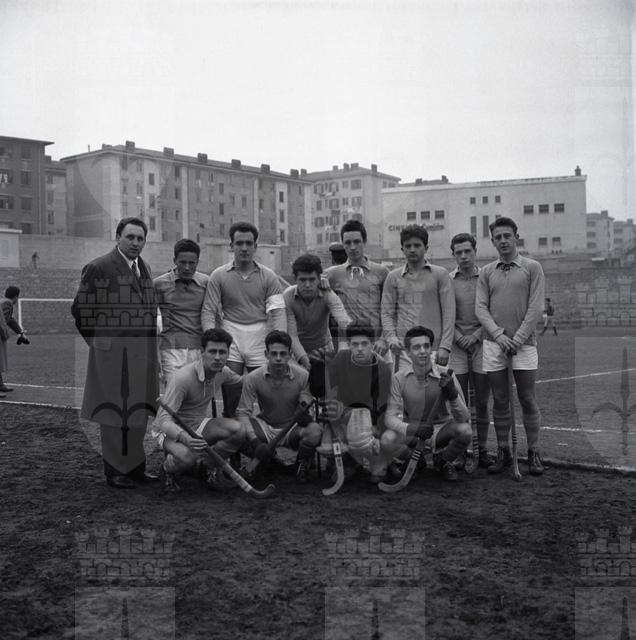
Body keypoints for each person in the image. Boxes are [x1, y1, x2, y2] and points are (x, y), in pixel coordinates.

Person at [71, 217, 159, 489]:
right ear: (118, 237)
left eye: (140, 238)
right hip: (113, 357)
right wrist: (101, 344)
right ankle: (116, 471)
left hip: (142, 356)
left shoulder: (144, 268)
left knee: (138, 412)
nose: (135, 243)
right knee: (113, 414)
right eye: (130, 237)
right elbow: (80, 311)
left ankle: (136, 468)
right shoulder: (99, 267)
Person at [475, 216, 546, 475]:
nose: (503, 241)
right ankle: (503, 450)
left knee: (527, 398)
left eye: (507, 236)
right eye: (498, 237)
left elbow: (535, 307)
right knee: (500, 399)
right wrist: (499, 336)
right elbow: (480, 308)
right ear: (493, 241)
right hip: (495, 345)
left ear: (516, 237)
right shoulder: (486, 271)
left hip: (524, 345)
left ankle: (534, 452)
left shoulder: (532, 267)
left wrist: (517, 339)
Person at [154, 328, 246, 493]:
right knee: (187, 457)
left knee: (238, 430)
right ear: (202, 352)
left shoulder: (223, 372)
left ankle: (206, 468)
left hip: (198, 424)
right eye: (212, 351)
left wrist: (271, 373)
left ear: (228, 354)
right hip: (169, 431)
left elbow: (245, 381)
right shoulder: (182, 378)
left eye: (222, 352)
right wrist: (185, 438)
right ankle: (167, 469)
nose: (217, 357)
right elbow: (163, 420)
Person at [384, 326, 471, 482]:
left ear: (431, 349)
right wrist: (413, 429)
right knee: (387, 439)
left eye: (426, 346)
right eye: (417, 347)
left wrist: (453, 394)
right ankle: (415, 461)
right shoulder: (399, 378)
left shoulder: (446, 374)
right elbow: (390, 418)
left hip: (440, 431)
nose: (423, 351)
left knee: (465, 431)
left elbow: (464, 418)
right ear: (408, 352)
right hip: (414, 431)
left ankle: (443, 461)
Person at [236, 330, 321, 483]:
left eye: (283, 354)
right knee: (238, 430)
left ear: (290, 355)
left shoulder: (303, 376)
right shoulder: (252, 378)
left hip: (292, 427)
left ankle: (301, 464)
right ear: (266, 354)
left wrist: (304, 410)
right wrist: (255, 442)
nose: (278, 358)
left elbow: (306, 399)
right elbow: (242, 413)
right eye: (274, 354)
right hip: (265, 427)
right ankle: (270, 461)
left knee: (315, 431)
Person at [201, 222, 286, 375]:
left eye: (249, 243)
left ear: (255, 246)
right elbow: (208, 310)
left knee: (262, 384)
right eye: (239, 243)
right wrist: (211, 339)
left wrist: (280, 342)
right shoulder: (218, 275)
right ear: (231, 246)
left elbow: (278, 312)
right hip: (230, 333)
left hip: (260, 336)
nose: (244, 248)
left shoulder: (269, 276)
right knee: (231, 385)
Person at [321, 321, 394, 483]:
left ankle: (377, 458)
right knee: (326, 441)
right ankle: (349, 461)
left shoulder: (382, 370)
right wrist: (331, 408)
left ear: (372, 344)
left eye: (364, 344)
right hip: (343, 416)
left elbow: (378, 409)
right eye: (355, 344)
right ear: (349, 344)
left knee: (360, 434)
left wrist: (349, 415)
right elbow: (329, 392)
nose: (360, 348)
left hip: (371, 420)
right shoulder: (340, 359)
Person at [381, 224, 455, 368]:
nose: (412, 249)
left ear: (426, 248)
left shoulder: (440, 274)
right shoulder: (393, 277)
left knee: (436, 383)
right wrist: (391, 338)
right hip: (403, 350)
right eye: (408, 246)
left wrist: (445, 347)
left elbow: (449, 313)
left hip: (434, 349)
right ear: (402, 249)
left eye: (417, 245)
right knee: (404, 383)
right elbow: (386, 313)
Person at [448, 233, 492, 467]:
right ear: (453, 255)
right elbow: (446, 314)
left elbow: (492, 312)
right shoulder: (448, 280)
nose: (464, 256)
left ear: (475, 251)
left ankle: (482, 449)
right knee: (459, 403)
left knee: (482, 401)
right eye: (459, 253)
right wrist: (459, 338)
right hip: (456, 346)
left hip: (482, 343)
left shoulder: (487, 276)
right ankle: (460, 450)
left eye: (468, 251)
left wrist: (476, 336)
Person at [284, 254, 350, 396]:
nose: (307, 285)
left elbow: (344, 322)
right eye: (302, 280)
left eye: (312, 279)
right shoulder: (288, 297)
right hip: (296, 351)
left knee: (328, 391)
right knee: (297, 392)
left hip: (323, 347)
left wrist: (349, 347)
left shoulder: (328, 294)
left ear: (319, 279)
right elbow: (292, 335)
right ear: (295, 279)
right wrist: (304, 360)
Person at [324, 220, 389, 357]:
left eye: (357, 241)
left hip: (377, 343)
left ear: (364, 242)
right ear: (343, 244)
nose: (352, 247)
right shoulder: (331, 274)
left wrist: (384, 339)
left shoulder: (382, 272)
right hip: (347, 343)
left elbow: (390, 310)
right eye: (348, 243)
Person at [154, 239, 209, 388]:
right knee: (174, 393)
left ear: (197, 262)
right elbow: (150, 321)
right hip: (170, 348)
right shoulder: (159, 284)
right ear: (174, 260)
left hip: (199, 348)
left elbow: (212, 314)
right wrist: (155, 356)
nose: (187, 267)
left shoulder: (206, 282)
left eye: (192, 263)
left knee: (197, 394)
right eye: (182, 262)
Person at [0, 286, 29, 394]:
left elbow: (10, 320)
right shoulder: (7, 303)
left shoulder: (3, 301)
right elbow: (2, 320)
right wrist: (5, 335)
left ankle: (0, 385)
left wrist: (20, 332)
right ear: (16, 297)